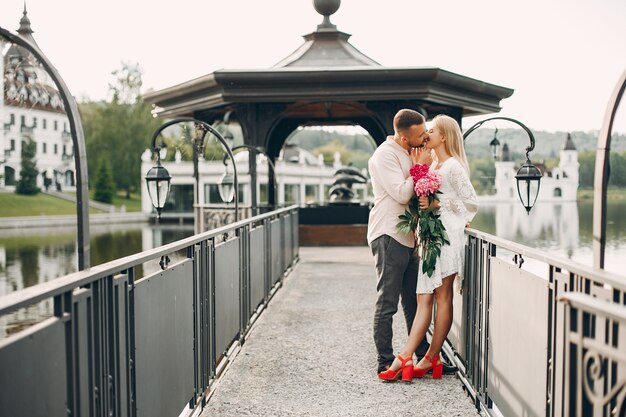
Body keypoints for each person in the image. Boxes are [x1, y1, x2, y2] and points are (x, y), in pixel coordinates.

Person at [378, 114, 478, 382]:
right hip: (431, 239)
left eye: (431, 130)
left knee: (442, 297)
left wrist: (438, 206)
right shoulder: (434, 165)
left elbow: (471, 203)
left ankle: (423, 356)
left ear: (443, 136)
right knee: (424, 296)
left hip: (448, 236)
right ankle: (412, 356)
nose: (426, 135)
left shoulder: (454, 167)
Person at [367, 109, 431, 374]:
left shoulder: (409, 151)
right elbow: (403, 194)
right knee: (388, 300)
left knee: (413, 300)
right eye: (420, 134)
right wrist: (421, 167)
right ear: (404, 139)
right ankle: (385, 360)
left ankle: (423, 355)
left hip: (408, 236)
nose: (425, 137)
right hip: (388, 233)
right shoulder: (384, 156)